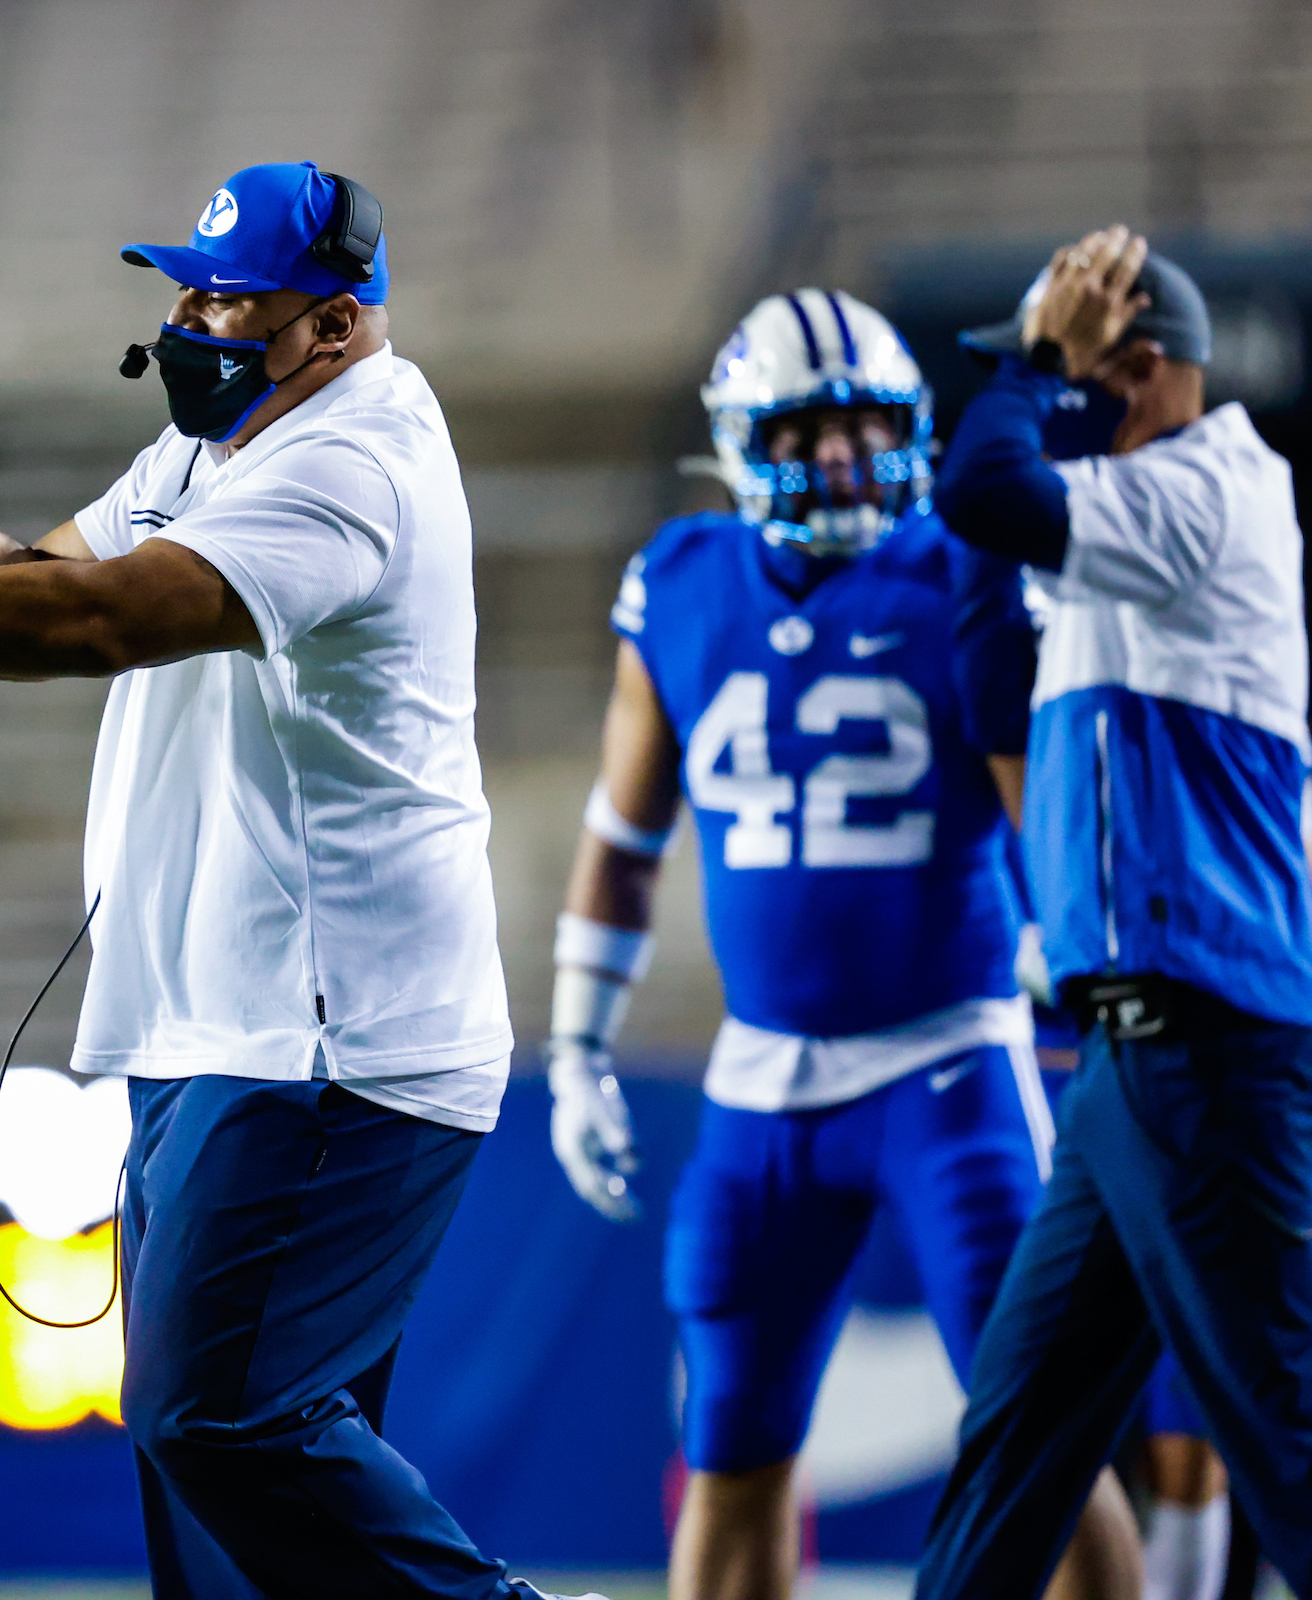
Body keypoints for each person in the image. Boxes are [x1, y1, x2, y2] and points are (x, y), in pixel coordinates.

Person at [0, 159, 596, 1600]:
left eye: (228, 293)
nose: (189, 313)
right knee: (227, 1509)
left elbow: (100, 619)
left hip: (329, 1044)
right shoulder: (223, 446)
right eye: (185, 283)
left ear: (336, 327)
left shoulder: (351, 462)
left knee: (216, 1420)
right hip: (223, 1029)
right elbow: (28, 596)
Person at [546, 288, 1137, 1600]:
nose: (840, 458)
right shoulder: (682, 584)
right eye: (807, 431)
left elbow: (1039, 801)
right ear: (740, 441)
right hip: (763, 1083)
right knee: (734, 1447)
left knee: (1037, 1436)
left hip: (952, 1064)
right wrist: (579, 1046)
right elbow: (622, 834)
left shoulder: (966, 570)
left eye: (866, 427)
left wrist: (1067, 951)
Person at [914, 226, 1312, 1600]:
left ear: (1137, 372)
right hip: (1132, 1067)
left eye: (1062, 371)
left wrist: (1035, 383)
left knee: (1290, 1454)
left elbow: (985, 486)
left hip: (1209, 1048)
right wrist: (1020, 417)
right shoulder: (1131, 527)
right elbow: (985, 675)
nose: (1028, 395)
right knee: (1013, 1453)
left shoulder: (1210, 490)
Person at [949, 382, 1238, 1600]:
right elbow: (991, 694)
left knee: (1217, 1411)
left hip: (1212, 1058)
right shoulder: (1024, 662)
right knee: (1076, 1407)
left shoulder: (1216, 647)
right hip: (1084, 1079)